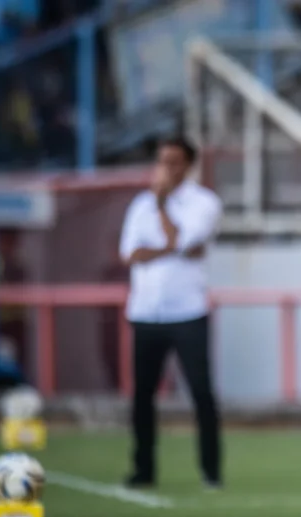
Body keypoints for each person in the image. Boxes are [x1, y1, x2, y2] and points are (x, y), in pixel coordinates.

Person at [119, 136, 224, 490]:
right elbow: (131, 254)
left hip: (188, 311)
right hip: (146, 312)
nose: (166, 169)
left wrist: (163, 209)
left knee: (201, 392)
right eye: (162, 161)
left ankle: (211, 471)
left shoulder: (204, 203)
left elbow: (183, 241)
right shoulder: (139, 205)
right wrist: (171, 248)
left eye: (174, 162)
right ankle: (143, 469)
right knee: (142, 395)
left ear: (188, 165)